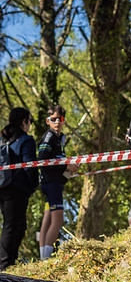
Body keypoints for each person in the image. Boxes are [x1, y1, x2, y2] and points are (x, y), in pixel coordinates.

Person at [37, 104, 78, 260]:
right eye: (53, 119)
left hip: (54, 183)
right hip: (51, 183)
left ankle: (42, 258)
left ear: (64, 120)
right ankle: (45, 259)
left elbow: (56, 161)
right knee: (58, 220)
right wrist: (66, 165)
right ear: (48, 121)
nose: (57, 122)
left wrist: (68, 171)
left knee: (47, 219)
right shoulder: (49, 136)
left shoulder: (59, 138)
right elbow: (43, 158)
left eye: (60, 119)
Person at [0, 108, 38, 269]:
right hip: (17, 189)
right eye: (30, 121)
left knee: (16, 225)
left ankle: (10, 262)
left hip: (2, 186)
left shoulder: (3, 139)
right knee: (12, 225)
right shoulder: (26, 140)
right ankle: (5, 265)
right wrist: (34, 184)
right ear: (24, 121)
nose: (30, 124)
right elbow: (30, 166)